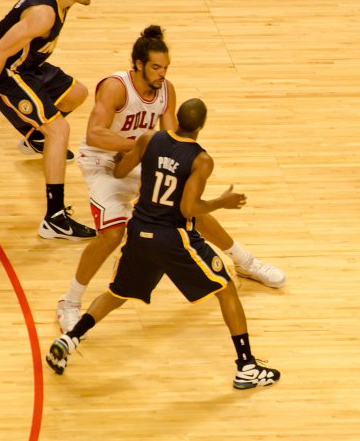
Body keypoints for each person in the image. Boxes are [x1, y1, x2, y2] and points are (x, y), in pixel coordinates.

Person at [55, 25, 286, 332]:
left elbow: (172, 138)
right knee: (112, 234)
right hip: (103, 164)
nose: (162, 73)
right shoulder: (116, 87)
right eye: (155, 67)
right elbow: (94, 134)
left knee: (186, 204)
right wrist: (138, 146)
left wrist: (182, 165)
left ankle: (244, 262)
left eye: (165, 67)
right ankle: (69, 302)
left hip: (139, 157)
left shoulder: (166, 89)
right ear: (138, 64)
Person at [46, 98, 281, 390]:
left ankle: (70, 339)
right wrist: (222, 202)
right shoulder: (201, 159)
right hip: (174, 237)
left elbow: (119, 172)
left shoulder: (149, 138)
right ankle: (246, 366)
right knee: (226, 288)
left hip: (139, 231)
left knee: (116, 294)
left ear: (178, 119)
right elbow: (188, 209)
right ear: (201, 126)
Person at [0, 0, 97, 240]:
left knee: (77, 93)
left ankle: (35, 138)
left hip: (26, 67)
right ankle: (55, 219)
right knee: (59, 130)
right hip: (4, 72)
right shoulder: (43, 14)